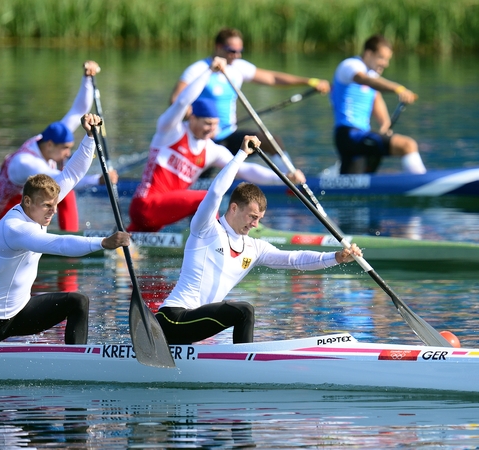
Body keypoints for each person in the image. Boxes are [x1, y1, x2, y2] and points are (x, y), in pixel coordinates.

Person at [155, 135, 362, 345]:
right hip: (172, 319)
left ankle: (242, 362)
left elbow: (294, 259)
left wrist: (337, 257)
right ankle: (245, 364)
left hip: (195, 325)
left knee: (242, 311)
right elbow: (216, 192)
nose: (255, 224)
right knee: (244, 311)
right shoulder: (206, 229)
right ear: (234, 208)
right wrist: (242, 154)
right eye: (252, 217)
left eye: (259, 219)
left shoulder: (254, 248)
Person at [0, 114, 131, 345]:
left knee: (78, 302)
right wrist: (102, 243)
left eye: (54, 206)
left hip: (19, 314)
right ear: (26, 202)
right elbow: (59, 244)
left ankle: (77, 363)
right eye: (46, 206)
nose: (52, 212)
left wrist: (89, 137)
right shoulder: (15, 228)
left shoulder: (40, 207)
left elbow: (72, 174)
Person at [128, 56, 305, 232]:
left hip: (158, 218)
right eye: (207, 124)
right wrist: (209, 72)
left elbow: (245, 170)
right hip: (145, 204)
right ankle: (217, 236)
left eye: (214, 125)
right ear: (193, 118)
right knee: (206, 196)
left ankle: (126, 238)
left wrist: (283, 177)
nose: (210, 130)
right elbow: (182, 101)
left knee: (125, 241)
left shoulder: (211, 150)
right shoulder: (170, 131)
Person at [0, 60, 116, 232]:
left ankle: (69, 238)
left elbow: (79, 110)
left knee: (63, 195)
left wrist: (87, 79)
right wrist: (98, 180)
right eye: (66, 148)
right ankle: (69, 245)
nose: (68, 153)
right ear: (49, 145)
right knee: (64, 191)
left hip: (15, 209)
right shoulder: (25, 162)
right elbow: (64, 179)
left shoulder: (49, 138)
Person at [169, 27, 330, 158]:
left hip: (228, 133)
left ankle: (291, 180)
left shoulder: (238, 67)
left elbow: (272, 78)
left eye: (240, 51)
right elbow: (176, 100)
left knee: (271, 142)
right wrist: (200, 124)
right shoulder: (198, 70)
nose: (237, 55)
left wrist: (309, 81)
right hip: (202, 137)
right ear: (218, 47)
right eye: (232, 51)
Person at [330, 34, 424, 175]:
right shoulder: (351, 65)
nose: (385, 64)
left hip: (358, 137)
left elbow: (376, 98)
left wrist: (385, 125)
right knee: (407, 145)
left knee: (352, 185)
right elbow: (363, 80)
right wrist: (397, 88)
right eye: (381, 57)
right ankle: (422, 184)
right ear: (368, 53)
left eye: (387, 59)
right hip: (349, 134)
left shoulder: (372, 75)